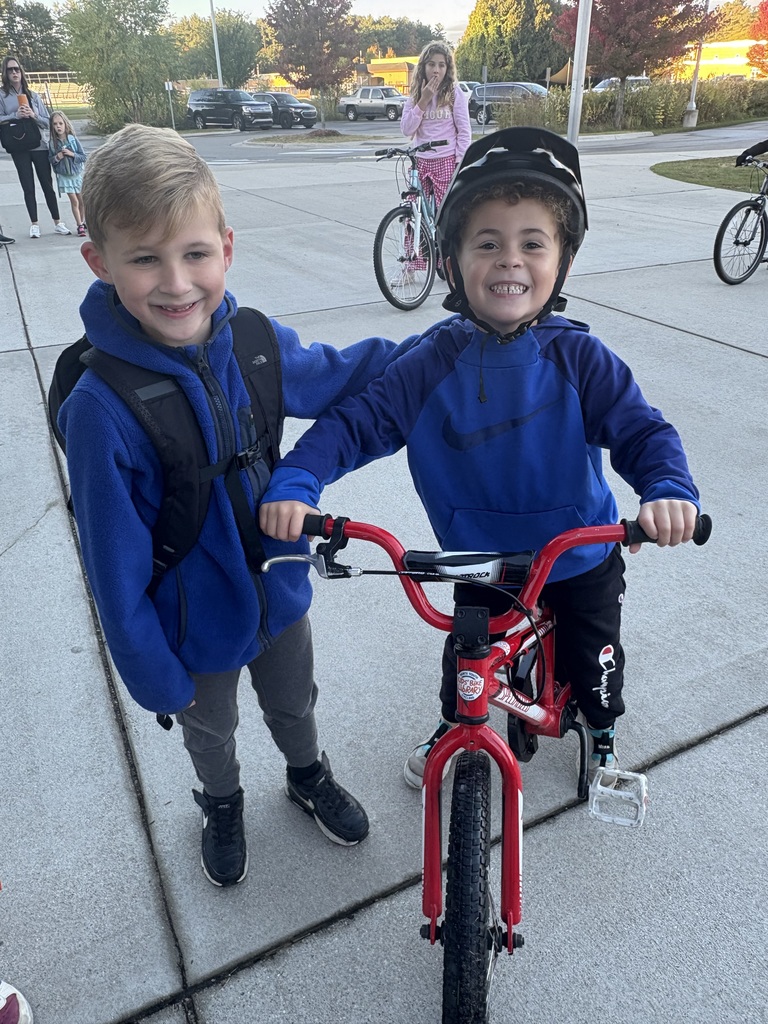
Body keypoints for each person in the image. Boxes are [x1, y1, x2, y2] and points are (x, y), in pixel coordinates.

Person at [258, 127, 701, 791]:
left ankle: (602, 726)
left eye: (532, 243)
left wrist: (667, 488)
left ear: (563, 263)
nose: (509, 261)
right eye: (487, 243)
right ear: (453, 260)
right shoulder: (430, 363)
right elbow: (356, 424)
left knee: (594, 658)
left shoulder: (581, 358)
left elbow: (642, 430)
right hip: (483, 559)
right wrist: (297, 478)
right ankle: (456, 721)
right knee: (467, 654)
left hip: (578, 553)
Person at [58, 124, 414, 888]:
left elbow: (343, 374)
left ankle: (306, 773)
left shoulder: (253, 341)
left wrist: (441, 350)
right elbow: (112, 569)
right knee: (210, 729)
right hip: (191, 623)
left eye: (194, 254)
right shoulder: (101, 408)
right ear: (99, 261)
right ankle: (221, 803)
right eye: (144, 258)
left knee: (295, 702)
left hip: (279, 591)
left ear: (226, 246)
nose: (176, 282)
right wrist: (151, 670)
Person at [398, 41, 471, 283]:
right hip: (420, 160)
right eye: (431, 64)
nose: (436, 70)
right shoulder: (417, 95)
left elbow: (464, 131)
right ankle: (410, 265)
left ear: (448, 68)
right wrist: (423, 100)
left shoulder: (454, 94)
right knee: (411, 214)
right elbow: (407, 129)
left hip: (445, 160)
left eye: (441, 64)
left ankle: (450, 264)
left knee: (446, 216)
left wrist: (460, 162)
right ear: (424, 67)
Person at [0, 56, 71, 238]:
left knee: (47, 184)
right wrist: (14, 115)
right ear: (5, 73)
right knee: (28, 186)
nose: (14, 72)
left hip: (39, 145)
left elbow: (48, 121)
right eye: (10, 70)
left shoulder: (33, 95)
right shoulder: (2, 96)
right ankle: (34, 224)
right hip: (18, 147)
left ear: (21, 71)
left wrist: (33, 114)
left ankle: (57, 221)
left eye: (17, 69)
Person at [48, 110, 86, 236]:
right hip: (65, 177)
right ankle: (79, 225)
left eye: (60, 123)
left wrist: (72, 154)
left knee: (82, 200)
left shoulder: (73, 140)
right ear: (52, 127)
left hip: (76, 175)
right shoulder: (52, 143)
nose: (58, 126)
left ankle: (82, 221)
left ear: (65, 124)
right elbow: (51, 160)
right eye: (55, 124)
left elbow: (83, 156)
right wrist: (58, 157)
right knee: (74, 201)